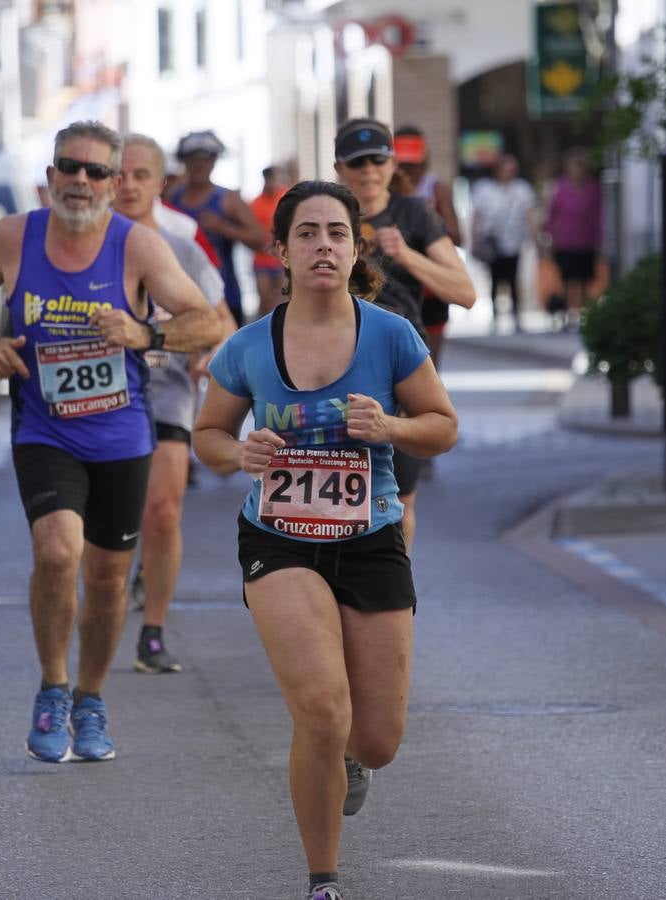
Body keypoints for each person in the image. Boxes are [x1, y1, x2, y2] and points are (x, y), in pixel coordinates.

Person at [193, 180, 459, 900]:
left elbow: (442, 426)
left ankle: (350, 757)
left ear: (354, 247)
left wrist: (392, 428)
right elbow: (209, 436)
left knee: (374, 739)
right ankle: (322, 880)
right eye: (306, 233)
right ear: (279, 250)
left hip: (370, 539)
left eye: (336, 233)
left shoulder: (390, 335)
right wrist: (236, 454)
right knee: (320, 707)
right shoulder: (248, 346)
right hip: (279, 540)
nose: (323, 246)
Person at [0, 120, 222, 763]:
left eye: (97, 171)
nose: (82, 181)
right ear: (50, 177)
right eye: (69, 168)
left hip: (122, 434)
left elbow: (204, 319)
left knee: (105, 579)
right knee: (56, 551)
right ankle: (52, 686)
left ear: (113, 181)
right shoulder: (12, 238)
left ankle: (91, 699)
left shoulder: (138, 246)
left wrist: (144, 335)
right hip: (44, 428)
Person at [113, 133, 235, 673]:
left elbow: (222, 321)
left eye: (141, 175)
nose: (128, 185)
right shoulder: (82, 249)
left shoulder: (182, 248)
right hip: (98, 399)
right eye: (118, 174)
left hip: (165, 393)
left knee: (162, 513)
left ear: (161, 184)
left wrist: (211, 353)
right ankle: (105, 609)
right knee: (111, 524)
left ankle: (153, 632)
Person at [333, 118, 475, 550]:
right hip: (336, 362)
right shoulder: (328, 215)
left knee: (401, 497)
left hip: (401, 366)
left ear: (393, 164)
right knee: (337, 493)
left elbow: (465, 292)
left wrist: (407, 256)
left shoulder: (414, 213)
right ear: (340, 168)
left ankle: (392, 594)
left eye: (378, 160)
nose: (369, 171)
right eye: (358, 163)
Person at [168, 130, 271, 325]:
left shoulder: (228, 200)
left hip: (224, 299)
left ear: (215, 160)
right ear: (184, 160)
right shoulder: (171, 198)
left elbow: (264, 241)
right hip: (177, 300)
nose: (199, 164)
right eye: (193, 158)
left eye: (206, 158)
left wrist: (224, 228)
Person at [393, 125, 462, 370]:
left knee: (432, 365)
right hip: (397, 287)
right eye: (402, 164)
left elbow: (457, 236)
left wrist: (428, 226)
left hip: (432, 286)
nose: (408, 171)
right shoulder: (385, 193)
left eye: (413, 164)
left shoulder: (436, 189)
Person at [470, 153, 537, 333]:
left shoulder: (522, 189)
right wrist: (474, 240)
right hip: (492, 241)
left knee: (514, 278)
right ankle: (495, 316)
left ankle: (516, 316)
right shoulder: (484, 189)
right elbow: (477, 216)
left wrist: (535, 237)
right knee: (494, 279)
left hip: (514, 241)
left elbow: (529, 214)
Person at [543, 149, 603, 326]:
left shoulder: (592, 188)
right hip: (565, 241)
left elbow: (598, 215)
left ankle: (582, 312)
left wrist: (599, 240)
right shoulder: (559, 188)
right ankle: (569, 314)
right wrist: (549, 239)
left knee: (584, 278)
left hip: (586, 240)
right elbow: (552, 215)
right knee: (567, 279)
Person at [249, 165, 290, 317]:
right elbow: (252, 232)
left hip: (282, 260)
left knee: (281, 300)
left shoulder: (285, 198)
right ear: (265, 180)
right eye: (271, 180)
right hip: (261, 260)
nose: (273, 184)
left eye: (276, 180)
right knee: (265, 302)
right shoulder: (256, 204)